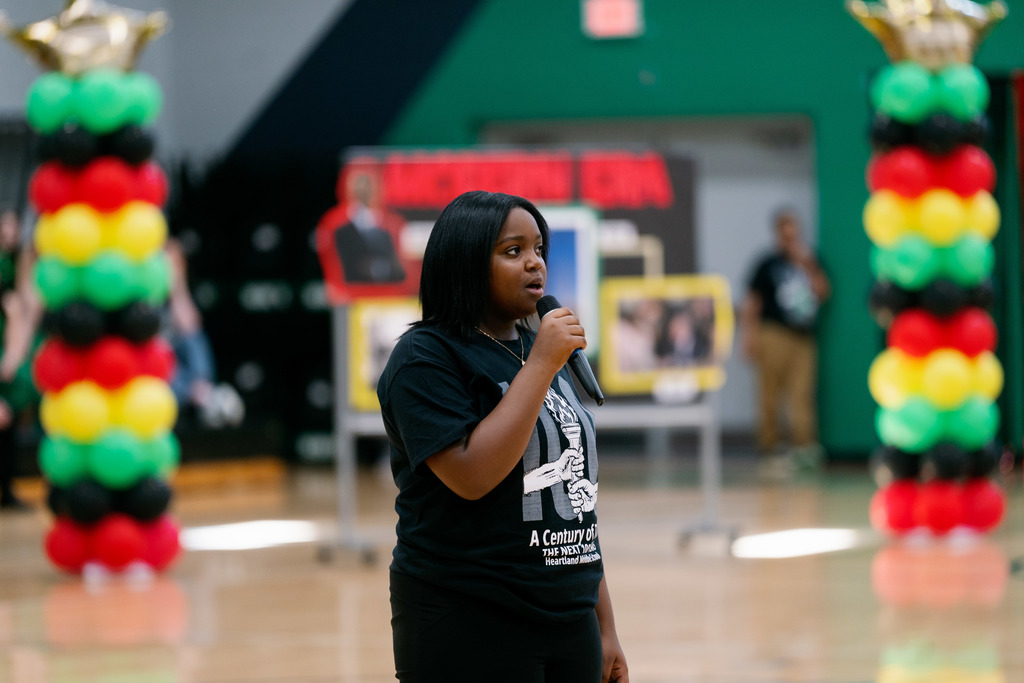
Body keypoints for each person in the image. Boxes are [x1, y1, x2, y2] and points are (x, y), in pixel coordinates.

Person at [377, 191, 629, 683]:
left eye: (538, 249)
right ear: (465, 263)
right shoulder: (424, 358)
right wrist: (540, 366)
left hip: (568, 615)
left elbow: (574, 503)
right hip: (469, 616)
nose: (534, 263)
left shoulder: (540, 352)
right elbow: (472, 475)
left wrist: (605, 625)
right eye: (513, 251)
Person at [741, 208, 831, 476]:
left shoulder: (809, 261)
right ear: (778, 232)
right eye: (785, 230)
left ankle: (804, 447)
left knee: (801, 394)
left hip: (802, 336)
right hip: (773, 334)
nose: (791, 236)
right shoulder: (766, 263)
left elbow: (823, 292)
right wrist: (749, 336)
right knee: (769, 393)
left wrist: (808, 264)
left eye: (795, 230)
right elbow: (752, 302)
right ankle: (769, 449)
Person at [164, 239, 244, 429]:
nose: (170, 269)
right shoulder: (142, 298)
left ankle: (204, 396)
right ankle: (204, 396)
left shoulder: (174, 300)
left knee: (198, 364)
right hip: (148, 369)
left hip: (175, 378)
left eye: (176, 265)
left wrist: (178, 287)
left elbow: (191, 330)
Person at [0, 208, 42, 510]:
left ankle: (8, 488)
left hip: (9, 349)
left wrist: (14, 355)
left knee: (11, 411)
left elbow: (25, 311)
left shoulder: (19, 265)